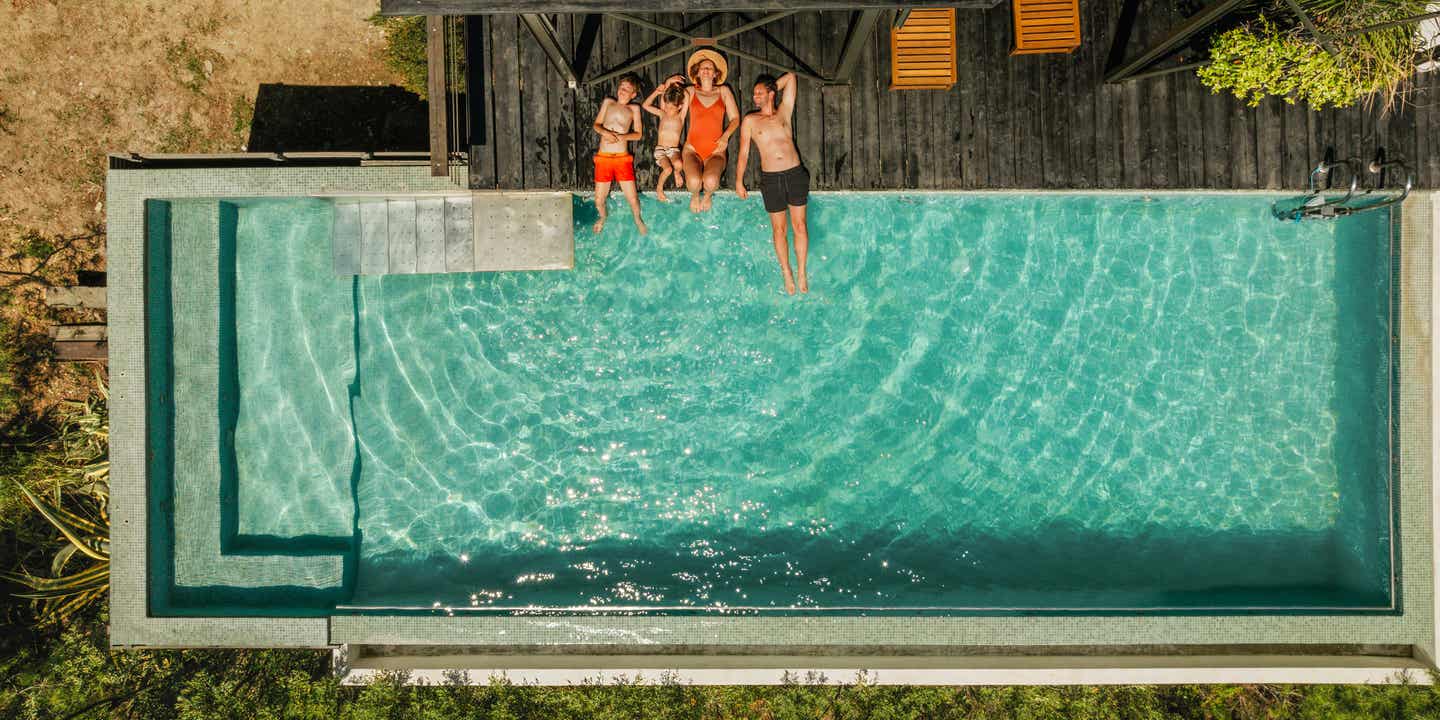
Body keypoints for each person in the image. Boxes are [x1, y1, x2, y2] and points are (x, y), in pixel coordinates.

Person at [736, 72, 810, 294]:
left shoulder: (784, 112)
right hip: (771, 179)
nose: (755, 97)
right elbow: (743, 153)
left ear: (771, 93)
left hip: (795, 174)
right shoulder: (750, 120)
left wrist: (771, 89)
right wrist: (739, 181)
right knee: (779, 229)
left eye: (759, 93)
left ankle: (802, 272)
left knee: (800, 226)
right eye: (754, 93)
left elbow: (792, 77)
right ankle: (786, 272)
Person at [680, 50, 740, 213]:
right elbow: (678, 119)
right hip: (692, 148)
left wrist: (725, 137)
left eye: (710, 68)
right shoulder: (690, 91)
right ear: (697, 73)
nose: (706, 70)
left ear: (715, 74)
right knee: (693, 183)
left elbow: (735, 119)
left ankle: (707, 195)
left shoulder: (724, 91)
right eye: (703, 68)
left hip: (716, 151)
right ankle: (695, 196)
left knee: (711, 182)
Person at [591, 73, 647, 235]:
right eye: (622, 87)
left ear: (633, 95)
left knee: (633, 199)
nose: (623, 91)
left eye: (627, 89)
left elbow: (638, 134)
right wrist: (605, 133)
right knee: (599, 200)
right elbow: (597, 125)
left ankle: (637, 218)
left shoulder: (633, 109)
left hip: (622, 159)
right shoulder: (609, 102)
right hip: (604, 158)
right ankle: (602, 217)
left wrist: (623, 136)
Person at [641, 74, 690, 203]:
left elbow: (687, 98)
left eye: (671, 107)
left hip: (673, 150)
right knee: (667, 169)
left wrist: (679, 87)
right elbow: (645, 105)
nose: (667, 109)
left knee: (679, 164)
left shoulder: (681, 116)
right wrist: (661, 88)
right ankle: (659, 188)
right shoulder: (662, 114)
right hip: (661, 150)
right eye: (666, 105)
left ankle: (677, 173)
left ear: (679, 106)